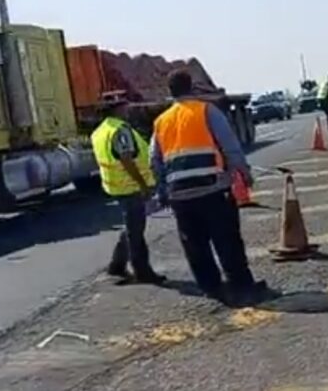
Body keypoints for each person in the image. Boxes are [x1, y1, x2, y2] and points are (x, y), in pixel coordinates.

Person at [150, 70, 266, 304]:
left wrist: (163, 191)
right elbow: (230, 146)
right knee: (227, 240)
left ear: (170, 93)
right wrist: (244, 173)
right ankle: (242, 287)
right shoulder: (206, 111)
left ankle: (212, 288)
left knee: (195, 245)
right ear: (191, 88)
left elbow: (155, 160)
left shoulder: (161, 122)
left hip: (180, 195)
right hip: (213, 189)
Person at [90, 92, 166, 284]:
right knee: (136, 232)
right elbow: (127, 159)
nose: (127, 109)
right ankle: (143, 271)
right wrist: (143, 185)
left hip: (117, 186)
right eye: (124, 106)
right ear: (117, 109)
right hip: (131, 186)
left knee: (131, 227)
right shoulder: (120, 130)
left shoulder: (100, 131)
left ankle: (117, 264)